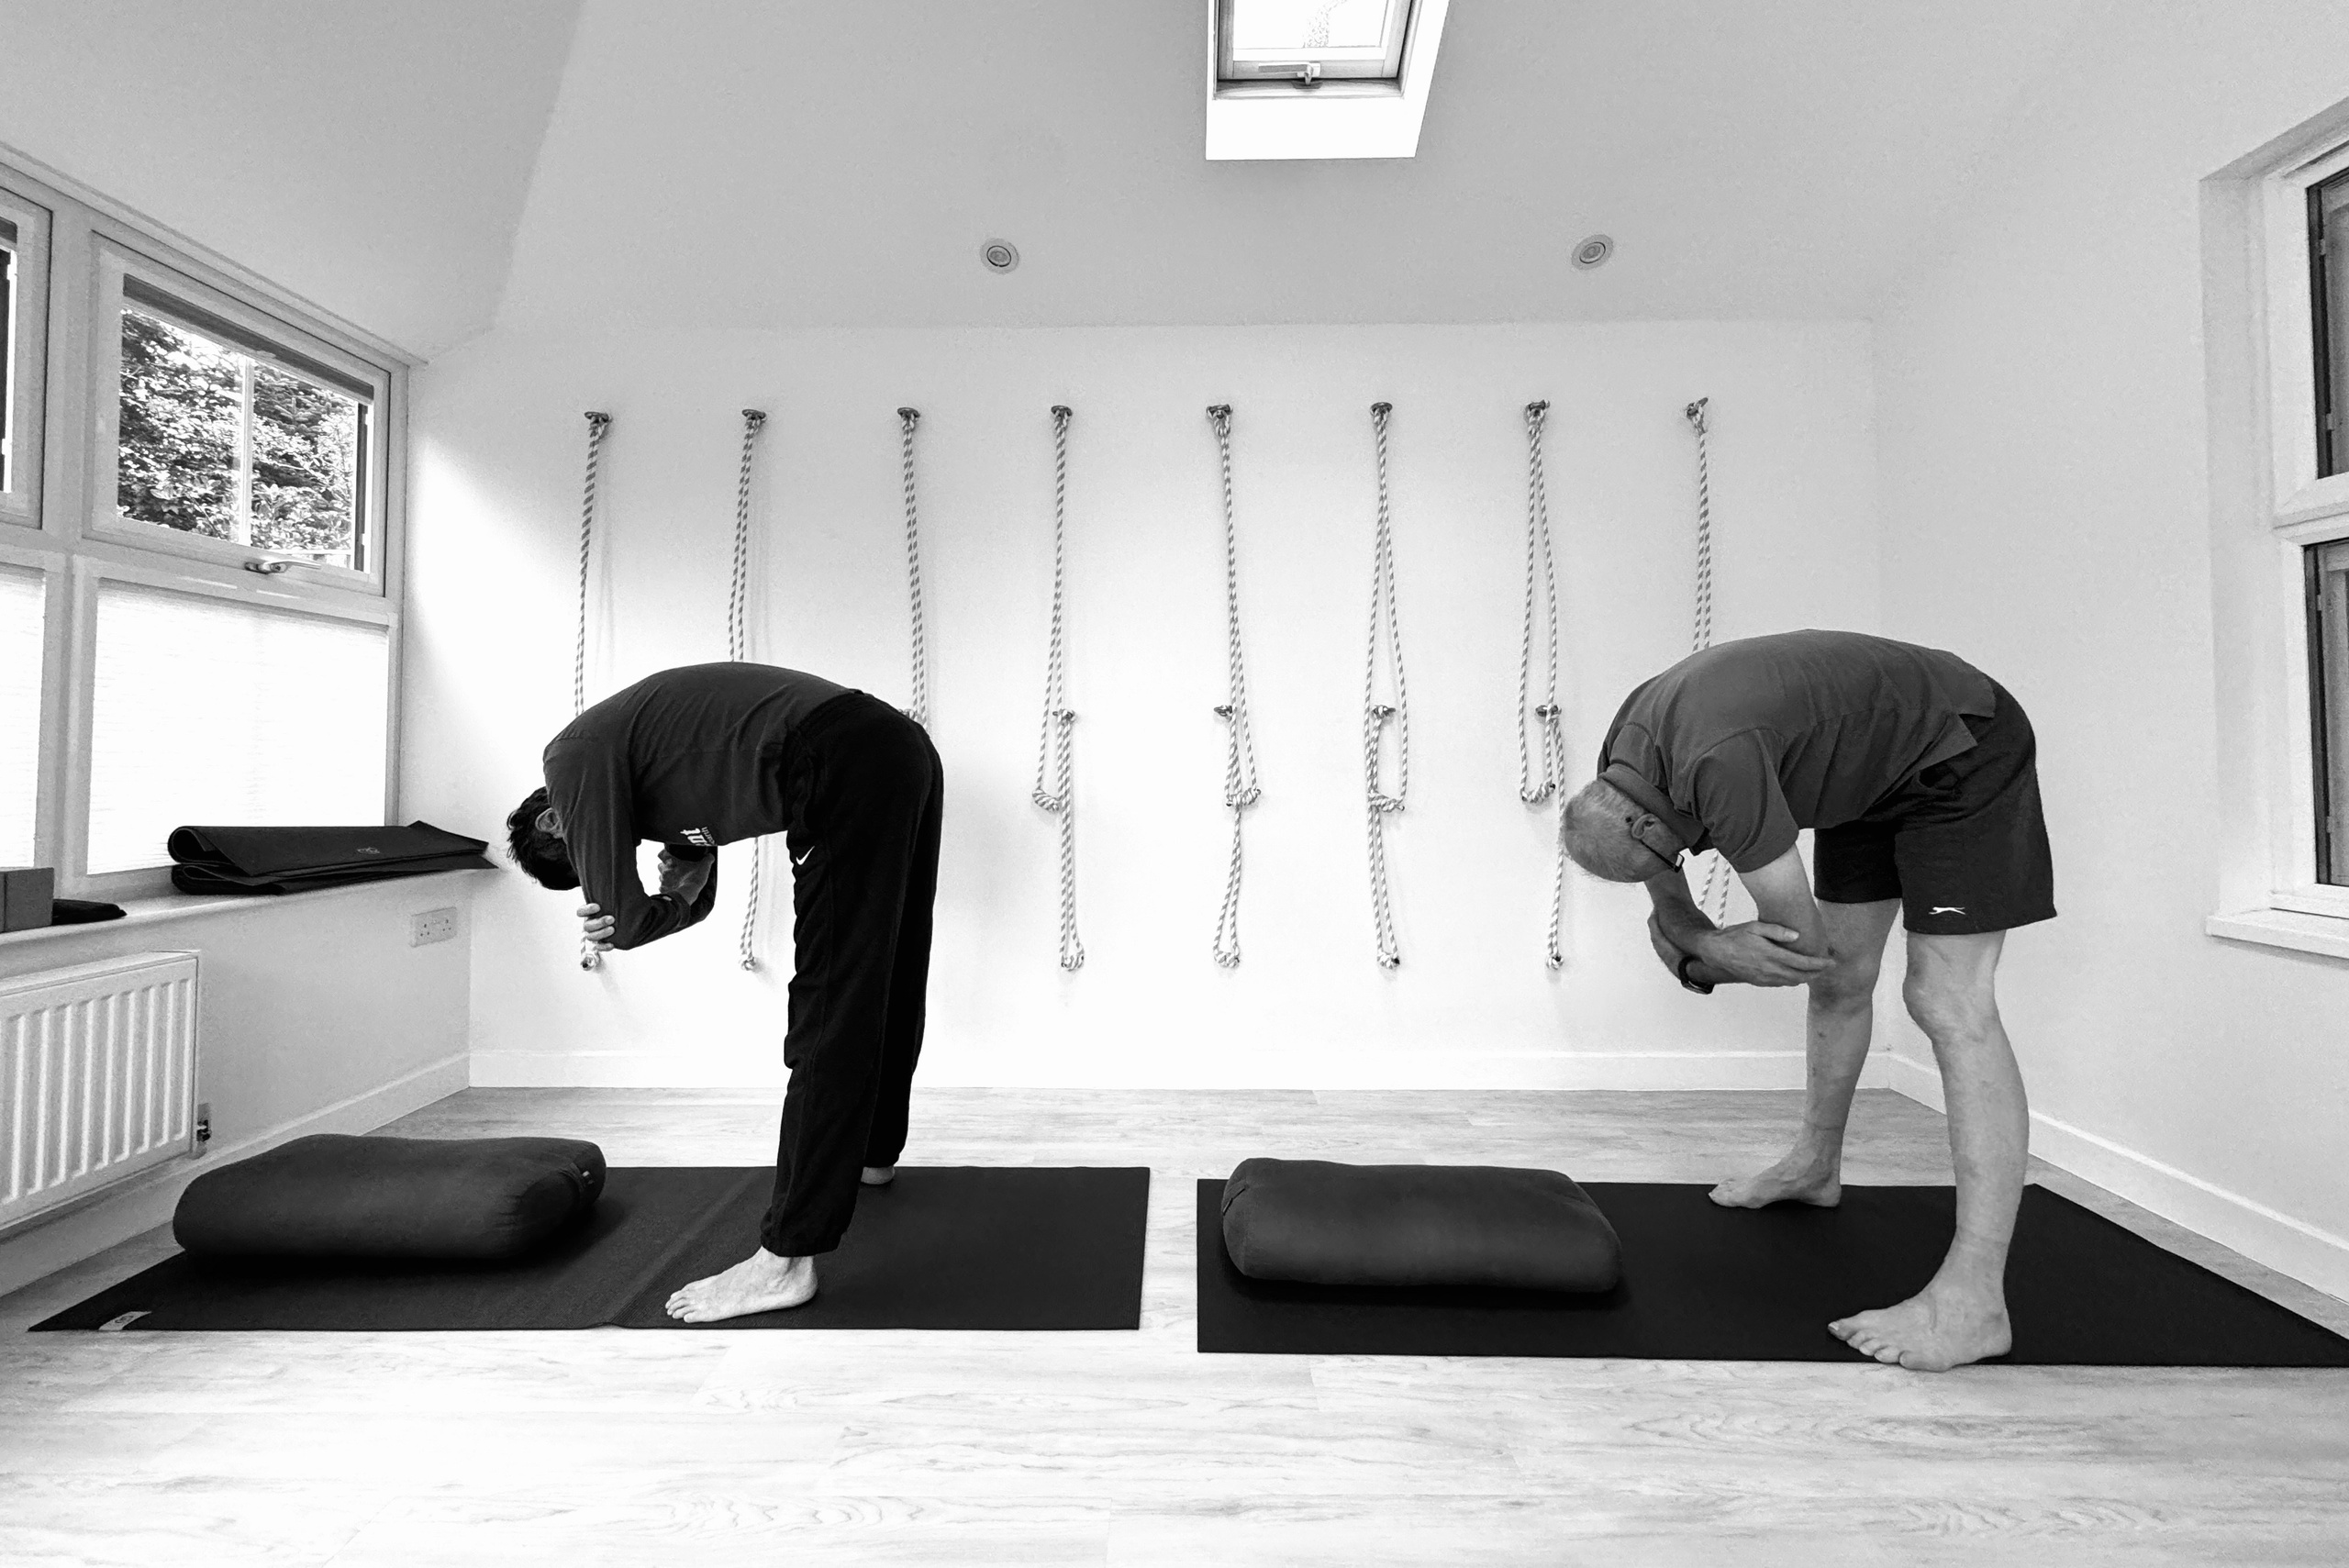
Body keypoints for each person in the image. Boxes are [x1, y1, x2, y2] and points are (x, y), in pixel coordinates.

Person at [1560, 628, 2053, 1371]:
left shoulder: (1717, 765)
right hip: (1871, 772)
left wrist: (1710, 952)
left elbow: (1798, 940)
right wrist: (1695, 936)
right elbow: (1671, 904)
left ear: (1648, 824)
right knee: (1845, 978)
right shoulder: (1622, 766)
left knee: (1945, 999)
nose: (1683, 864)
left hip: (1960, 745)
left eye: (1672, 855)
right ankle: (1815, 1166)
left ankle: (1976, 1300)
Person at [506, 662, 942, 1323]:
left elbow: (631, 917)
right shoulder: (661, 793)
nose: (607, 853)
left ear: (556, 826)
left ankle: (787, 1259)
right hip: (893, 748)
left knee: (828, 1003)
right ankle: (872, 1154)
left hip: (839, 754)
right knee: (886, 968)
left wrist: (621, 917)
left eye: (587, 861)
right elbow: (693, 897)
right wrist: (644, 912)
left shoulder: (571, 758)